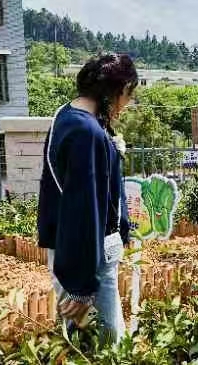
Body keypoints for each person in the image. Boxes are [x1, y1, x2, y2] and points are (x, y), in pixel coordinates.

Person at [37, 54, 137, 341]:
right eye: (128, 95)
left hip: (73, 250)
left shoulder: (67, 115)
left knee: (83, 339)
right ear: (117, 91)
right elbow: (84, 210)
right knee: (103, 343)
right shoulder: (87, 132)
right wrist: (81, 287)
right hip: (88, 257)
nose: (127, 105)